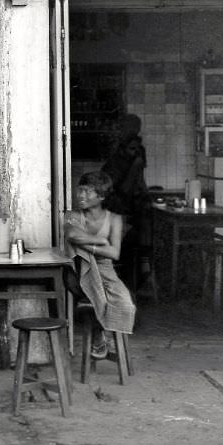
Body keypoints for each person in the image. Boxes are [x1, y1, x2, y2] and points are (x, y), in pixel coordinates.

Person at [64, 171, 136, 359]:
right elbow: (72, 236)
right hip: (79, 273)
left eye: (88, 192)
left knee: (125, 302)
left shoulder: (114, 219)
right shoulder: (72, 215)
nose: (81, 195)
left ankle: (107, 337)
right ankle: (100, 337)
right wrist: (101, 241)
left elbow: (115, 253)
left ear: (101, 196)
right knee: (97, 297)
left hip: (107, 272)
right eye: (80, 190)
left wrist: (89, 246)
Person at [102, 113, 150, 285]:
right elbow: (121, 192)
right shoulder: (115, 163)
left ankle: (143, 266)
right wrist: (135, 168)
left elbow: (139, 183)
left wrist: (143, 193)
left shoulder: (136, 154)